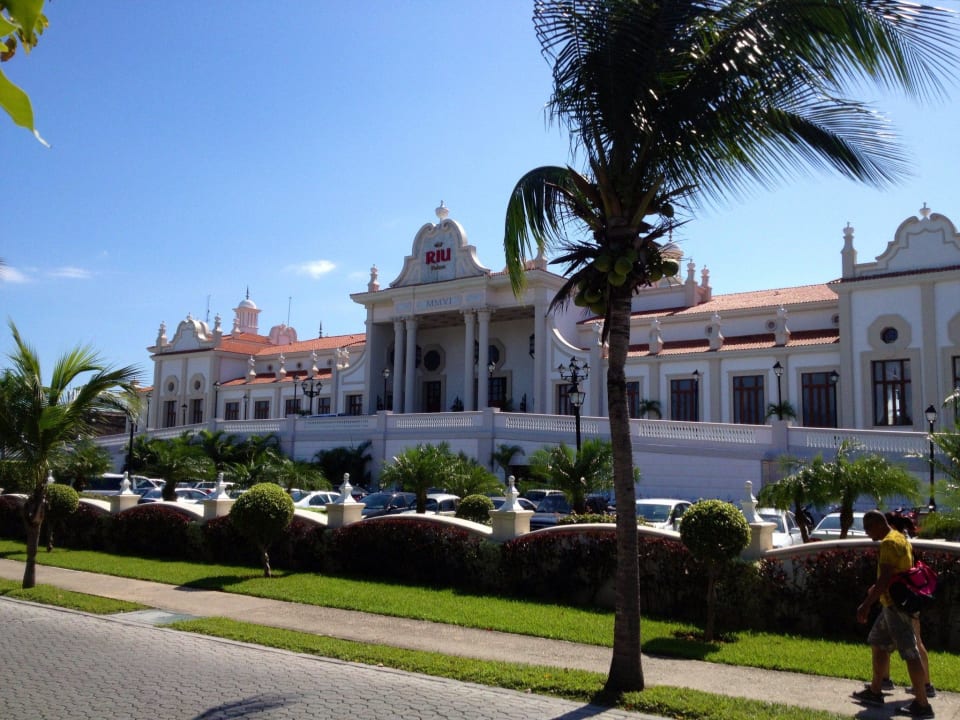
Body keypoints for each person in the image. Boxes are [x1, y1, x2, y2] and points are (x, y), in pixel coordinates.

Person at [852, 510, 933, 718]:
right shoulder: (900, 537)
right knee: (878, 642)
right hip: (893, 605)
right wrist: (874, 593)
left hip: (897, 608)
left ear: (879, 524)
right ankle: (875, 690)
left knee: (910, 653)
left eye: (868, 528)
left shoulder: (889, 543)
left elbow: (886, 577)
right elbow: (898, 572)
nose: (868, 534)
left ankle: (922, 704)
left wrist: (866, 604)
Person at [883, 511, 935, 699]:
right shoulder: (905, 540)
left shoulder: (894, 542)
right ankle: (924, 685)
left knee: (911, 647)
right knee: (886, 642)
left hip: (899, 600)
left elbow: (889, 572)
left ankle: (922, 689)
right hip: (909, 596)